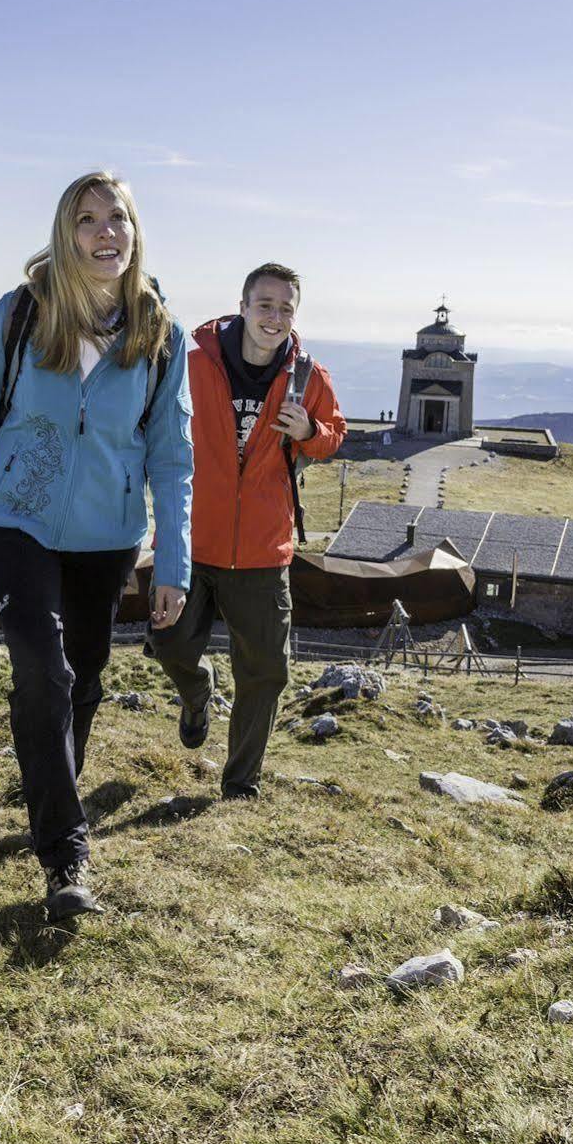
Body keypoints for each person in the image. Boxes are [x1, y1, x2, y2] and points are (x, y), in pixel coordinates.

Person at [0, 171, 193, 919]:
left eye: (118, 219)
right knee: (42, 669)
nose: (105, 233)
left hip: (108, 536)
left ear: (135, 234)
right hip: (17, 520)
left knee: (83, 678)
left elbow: (172, 457)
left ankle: (52, 789)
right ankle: (64, 853)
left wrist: (173, 563)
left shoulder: (158, 333)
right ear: (63, 234)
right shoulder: (21, 315)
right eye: (87, 220)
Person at [150, 263, 345, 799]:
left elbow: (334, 436)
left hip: (263, 551)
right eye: (265, 305)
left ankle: (240, 784)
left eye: (286, 308)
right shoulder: (191, 362)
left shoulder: (308, 377)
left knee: (264, 674)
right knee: (168, 647)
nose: (275, 317)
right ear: (242, 306)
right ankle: (196, 694)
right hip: (191, 540)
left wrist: (311, 431)